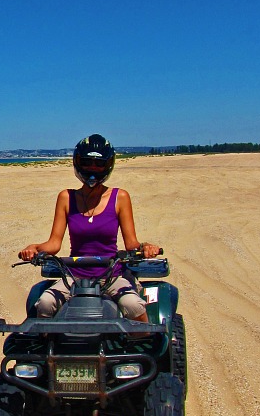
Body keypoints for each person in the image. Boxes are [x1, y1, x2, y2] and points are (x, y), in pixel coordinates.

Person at [19, 134, 161, 321]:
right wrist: (34, 248)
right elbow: (54, 243)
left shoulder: (120, 197)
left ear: (108, 165)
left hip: (110, 276)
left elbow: (131, 244)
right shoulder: (66, 198)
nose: (92, 169)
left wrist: (146, 247)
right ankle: (46, 340)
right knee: (45, 303)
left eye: (99, 164)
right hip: (74, 276)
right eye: (87, 163)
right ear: (78, 163)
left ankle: (147, 339)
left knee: (133, 306)